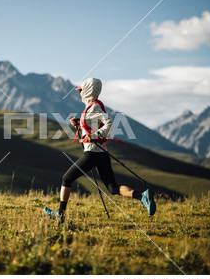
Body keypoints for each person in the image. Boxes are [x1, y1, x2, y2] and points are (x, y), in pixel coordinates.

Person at [44, 77, 156, 223]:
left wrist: (95, 135)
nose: (80, 94)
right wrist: (79, 124)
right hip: (101, 153)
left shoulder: (94, 107)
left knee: (66, 178)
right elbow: (93, 126)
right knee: (113, 188)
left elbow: (109, 123)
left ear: (88, 91)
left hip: (92, 154)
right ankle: (143, 197)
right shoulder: (92, 107)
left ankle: (60, 214)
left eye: (81, 91)